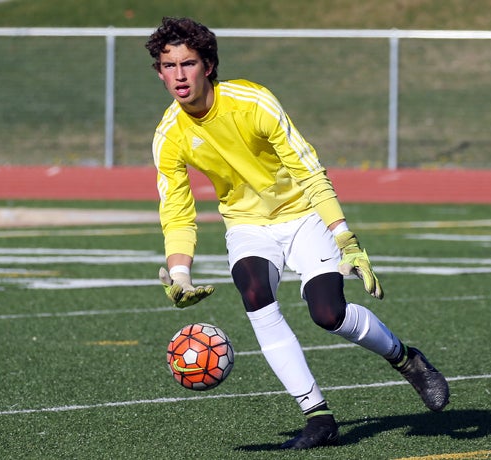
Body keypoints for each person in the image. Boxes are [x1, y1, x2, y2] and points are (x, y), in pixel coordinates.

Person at [145, 17, 449, 450]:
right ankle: (318, 416)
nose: (178, 75)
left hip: (303, 216)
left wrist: (345, 238)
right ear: (159, 71)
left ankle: (406, 359)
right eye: (167, 65)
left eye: (187, 63)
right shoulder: (168, 134)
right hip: (247, 225)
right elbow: (176, 209)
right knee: (254, 294)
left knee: (328, 314)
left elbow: (310, 173)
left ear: (208, 65)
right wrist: (179, 274)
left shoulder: (253, 102)